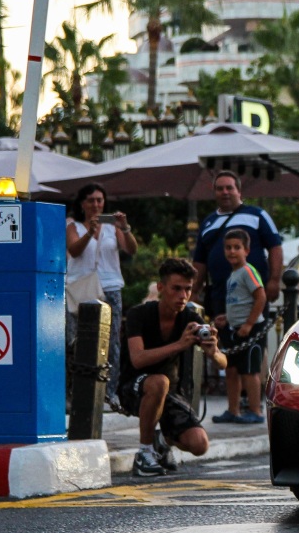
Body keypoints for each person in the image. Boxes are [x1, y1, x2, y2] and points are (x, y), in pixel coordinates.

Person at [118, 258, 227, 476]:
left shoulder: (190, 318)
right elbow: (138, 359)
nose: (183, 296)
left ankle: (161, 440)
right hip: (134, 386)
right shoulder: (138, 315)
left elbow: (224, 362)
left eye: (187, 289)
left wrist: (213, 351)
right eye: (176, 289)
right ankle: (144, 452)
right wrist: (179, 345)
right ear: (161, 288)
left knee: (199, 444)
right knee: (160, 382)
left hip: (169, 393)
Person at [66, 182, 137, 407]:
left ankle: (109, 392)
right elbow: (74, 250)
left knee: (111, 340)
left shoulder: (112, 226)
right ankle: (75, 391)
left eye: (100, 200)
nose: (96, 204)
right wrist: (90, 232)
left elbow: (131, 250)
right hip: (81, 287)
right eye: (91, 200)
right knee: (75, 339)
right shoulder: (72, 225)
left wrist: (124, 228)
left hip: (110, 286)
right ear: (82, 203)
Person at [192, 170, 283, 318]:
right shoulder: (208, 222)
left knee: (252, 337)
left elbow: (275, 247)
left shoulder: (257, 215)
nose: (225, 192)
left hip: (251, 294)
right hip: (220, 295)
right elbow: (200, 261)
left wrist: (274, 280)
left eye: (229, 188)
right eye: (220, 189)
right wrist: (194, 291)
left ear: (239, 191)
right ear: (214, 192)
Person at [212, 230, 267, 424]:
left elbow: (260, 296)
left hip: (251, 331)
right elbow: (241, 301)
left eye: (237, 247)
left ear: (247, 250)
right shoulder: (233, 275)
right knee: (231, 370)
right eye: (228, 247)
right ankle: (232, 409)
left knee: (250, 371)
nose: (232, 251)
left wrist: (249, 323)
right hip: (234, 329)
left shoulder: (248, 271)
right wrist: (227, 318)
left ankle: (255, 411)